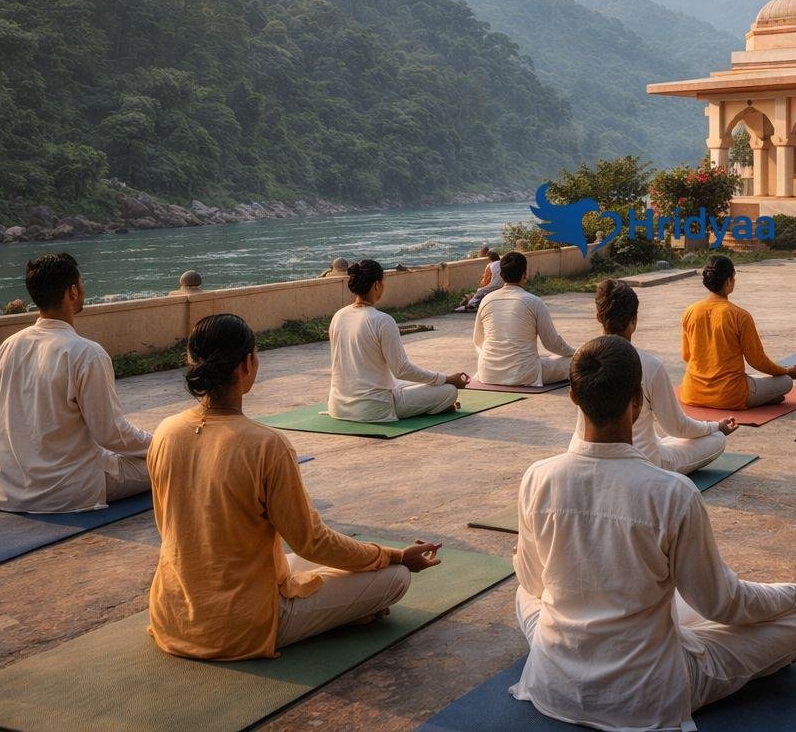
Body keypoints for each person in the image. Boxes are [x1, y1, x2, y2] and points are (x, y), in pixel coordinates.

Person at [512, 335, 796, 730]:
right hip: (645, 693)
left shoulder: (537, 478)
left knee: (525, 590)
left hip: (554, 683)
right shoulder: (672, 493)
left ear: (573, 396)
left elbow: (533, 581)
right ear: (639, 401)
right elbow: (723, 604)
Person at [147, 313, 443, 660]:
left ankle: (336, 610)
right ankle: (334, 616)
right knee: (394, 577)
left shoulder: (165, 432)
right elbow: (311, 541)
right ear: (248, 364)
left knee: (301, 562)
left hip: (173, 614)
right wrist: (391, 555)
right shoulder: (266, 445)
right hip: (241, 626)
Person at [0, 253, 152, 513]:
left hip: (9, 489)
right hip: (69, 489)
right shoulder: (86, 353)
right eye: (81, 283)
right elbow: (111, 434)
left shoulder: (9, 346)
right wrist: (163, 443)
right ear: (72, 292)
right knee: (173, 461)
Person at [570, 280, 736, 474]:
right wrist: (715, 426)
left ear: (598, 317)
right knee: (716, 438)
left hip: (582, 453)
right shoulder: (649, 365)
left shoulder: (581, 357)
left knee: (658, 437)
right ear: (634, 320)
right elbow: (677, 427)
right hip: (641, 462)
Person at [327, 259, 469, 422]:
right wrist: (446, 379)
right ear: (376, 285)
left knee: (398, 382)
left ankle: (434, 403)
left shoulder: (339, 316)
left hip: (338, 406)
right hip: (374, 408)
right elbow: (402, 369)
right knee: (449, 390)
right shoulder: (382, 320)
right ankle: (437, 404)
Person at [680, 254, 796, 410]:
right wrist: (786, 371)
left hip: (692, 392)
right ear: (728, 281)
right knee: (785, 381)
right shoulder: (740, 316)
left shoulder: (690, 311)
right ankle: (764, 397)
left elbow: (686, 355)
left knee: (755, 379)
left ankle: (764, 396)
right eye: (734, 277)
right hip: (729, 395)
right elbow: (757, 361)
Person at [473, 251, 576, 385]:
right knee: (573, 362)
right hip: (524, 374)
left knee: (544, 357)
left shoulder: (486, 300)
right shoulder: (533, 301)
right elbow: (552, 343)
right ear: (524, 274)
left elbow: (478, 341)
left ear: (502, 275)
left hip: (487, 373)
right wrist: (576, 352)